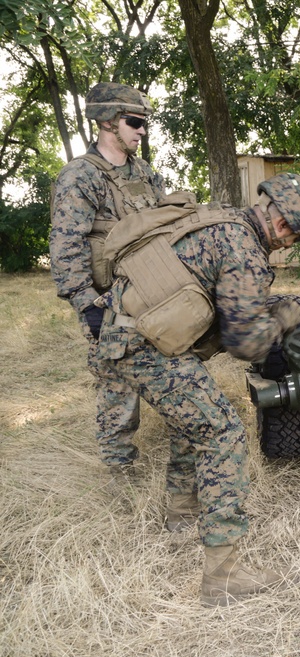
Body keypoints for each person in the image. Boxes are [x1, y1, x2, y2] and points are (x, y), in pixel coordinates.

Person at [93, 172, 300, 607]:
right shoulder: (246, 250)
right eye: (295, 237)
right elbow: (246, 344)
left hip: (126, 335)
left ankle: (182, 513)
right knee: (222, 433)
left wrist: (264, 309)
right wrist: (286, 316)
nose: (291, 245)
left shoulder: (222, 221)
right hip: (147, 347)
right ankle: (223, 575)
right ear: (283, 225)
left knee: (194, 418)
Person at [49, 82, 164, 476]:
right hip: (107, 300)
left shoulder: (146, 173)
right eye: (135, 122)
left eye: (144, 122)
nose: (142, 131)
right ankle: (119, 468)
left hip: (154, 292)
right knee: (117, 384)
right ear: (107, 122)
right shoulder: (79, 177)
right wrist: (85, 304)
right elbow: (67, 246)